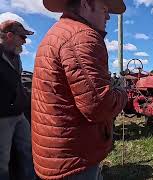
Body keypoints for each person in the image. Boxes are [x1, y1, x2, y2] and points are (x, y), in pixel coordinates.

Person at [32, 0, 127, 179]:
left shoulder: (57, 33)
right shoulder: (82, 37)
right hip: (75, 158)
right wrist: (122, 93)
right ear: (85, 3)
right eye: (104, 9)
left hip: (56, 153)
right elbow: (100, 106)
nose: (108, 16)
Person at [0, 20, 36, 180]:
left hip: (19, 113)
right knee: (2, 159)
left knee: (27, 150)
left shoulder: (16, 57)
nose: (25, 41)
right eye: (22, 37)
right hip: (2, 117)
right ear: (9, 35)